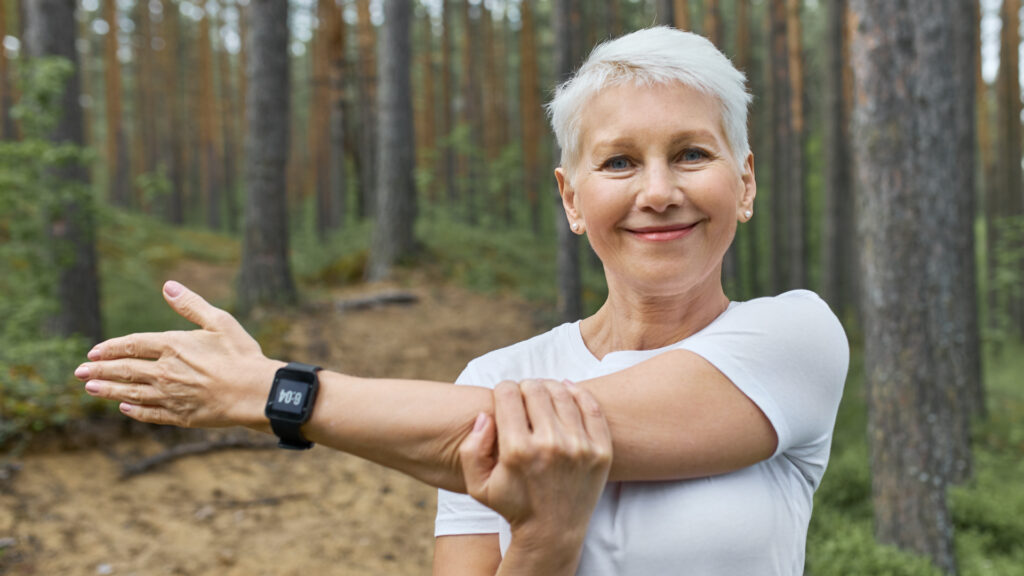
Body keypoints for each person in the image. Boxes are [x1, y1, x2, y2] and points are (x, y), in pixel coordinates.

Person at [76, 26, 848, 576]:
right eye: (618, 162)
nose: (658, 191)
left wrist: (274, 392)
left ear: (743, 182)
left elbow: (507, 432)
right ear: (572, 199)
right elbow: (485, 440)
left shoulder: (794, 337)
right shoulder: (499, 370)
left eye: (691, 154)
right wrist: (546, 538)